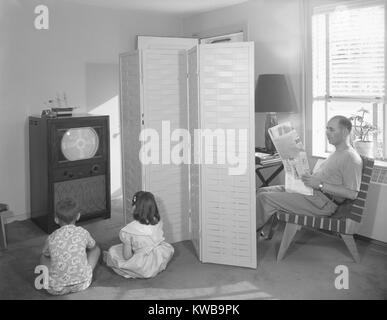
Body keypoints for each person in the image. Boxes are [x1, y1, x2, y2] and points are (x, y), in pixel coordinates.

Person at [256, 115, 363, 235]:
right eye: (326, 128)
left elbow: (352, 193)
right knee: (262, 191)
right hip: (311, 192)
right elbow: (329, 177)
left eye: (331, 129)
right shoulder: (337, 152)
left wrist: (320, 185)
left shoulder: (351, 158)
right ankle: (258, 231)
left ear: (345, 132)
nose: (327, 132)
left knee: (264, 198)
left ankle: (247, 234)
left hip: (321, 203)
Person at [104, 191, 174, 278]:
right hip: (159, 257)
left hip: (142, 265)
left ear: (134, 208)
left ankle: (136, 269)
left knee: (113, 251)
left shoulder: (127, 231)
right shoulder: (157, 220)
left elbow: (127, 257)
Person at [40, 198, 101, 295]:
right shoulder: (83, 232)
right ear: (78, 216)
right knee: (96, 249)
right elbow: (93, 247)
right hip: (82, 284)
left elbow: (46, 254)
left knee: (44, 256)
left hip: (55, 288)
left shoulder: (51, 237)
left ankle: (47, 278)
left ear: (56, 219)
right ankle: (85, 273)